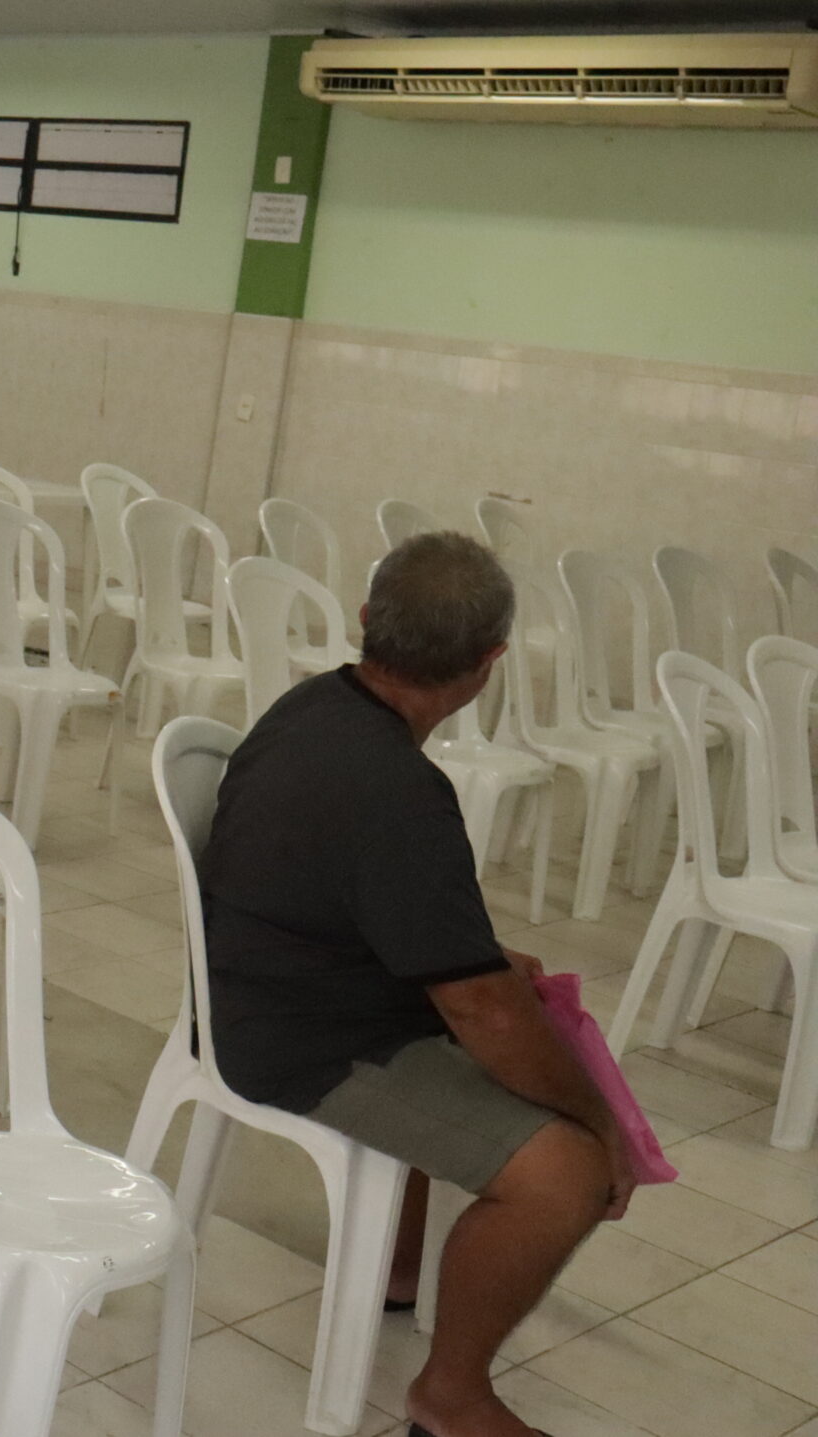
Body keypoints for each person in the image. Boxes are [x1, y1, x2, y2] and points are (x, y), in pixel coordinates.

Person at [200, 532, 630, 1437]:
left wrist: (483, 962)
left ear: (367, 620)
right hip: (307, 1041)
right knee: (565, 1174)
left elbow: (372, 902)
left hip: (269, 988)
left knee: (499, 994)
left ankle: (397, 1270)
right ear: (490, 662)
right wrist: (602, 1125)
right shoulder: (399, 790)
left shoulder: (312, 707)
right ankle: (451, 1396)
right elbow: (478, 1011)